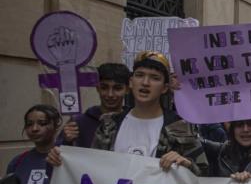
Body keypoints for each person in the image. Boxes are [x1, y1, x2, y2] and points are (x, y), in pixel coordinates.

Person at [47, 51, 207, 174]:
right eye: (139, 75)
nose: (145, 83)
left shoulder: (181, 126)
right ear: (131, 82)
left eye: (154, 78)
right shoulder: (109, 123)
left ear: (165, 88)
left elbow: (203, 173)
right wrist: (62, 156)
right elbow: (92, 168)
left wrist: (185, 164)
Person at [60, 62, 130, 147]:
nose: (110, 94)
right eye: (104, 87)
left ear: (127, 89)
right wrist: (66, 141)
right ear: (97, 88)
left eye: (117, 88)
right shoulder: (78, 123)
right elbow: (55, 156)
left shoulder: (132, 122)